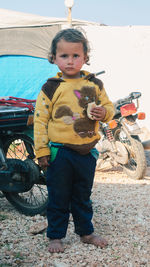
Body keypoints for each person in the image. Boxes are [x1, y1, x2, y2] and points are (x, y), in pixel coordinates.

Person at [34, 28, 115, 253]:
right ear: (54, 58)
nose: (70, 61)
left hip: (86, 153)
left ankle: (86, 232)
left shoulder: (95, 84)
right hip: (60, 153)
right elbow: (40, 120)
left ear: (85, 57)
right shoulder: (51, 87)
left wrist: (105, 113)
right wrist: (41, 151)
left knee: (82, 196)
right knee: (58, 196)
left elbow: (109, 106)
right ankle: (56, 235)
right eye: (64, 56)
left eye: (76, 55)